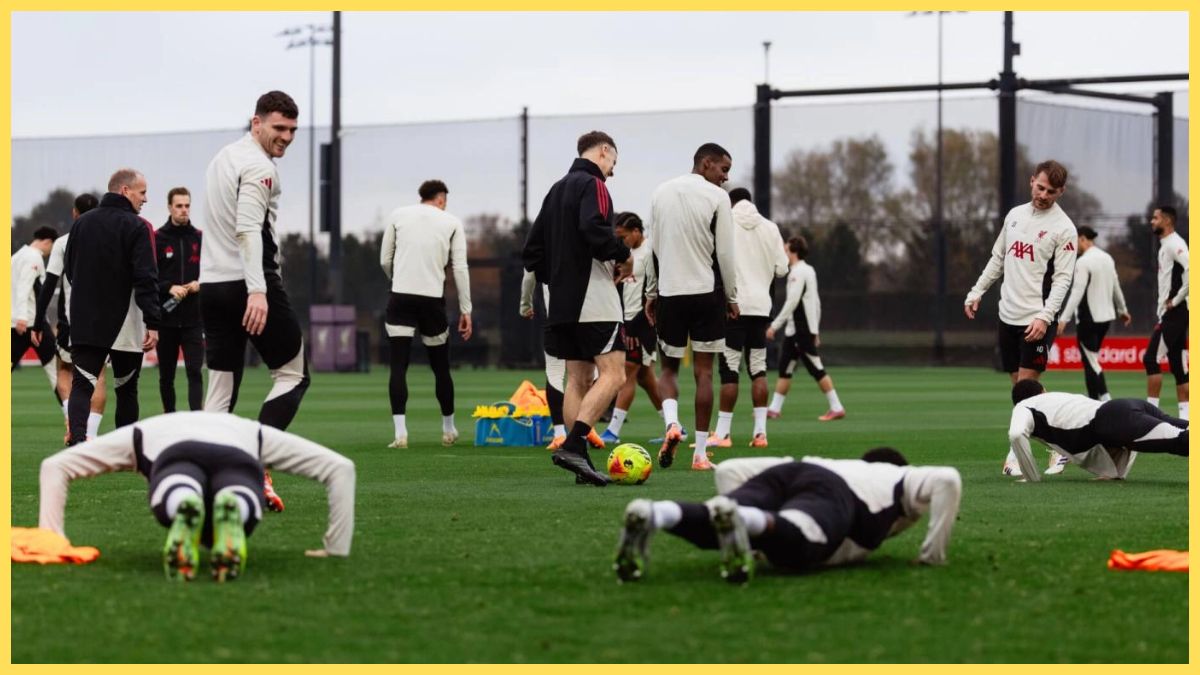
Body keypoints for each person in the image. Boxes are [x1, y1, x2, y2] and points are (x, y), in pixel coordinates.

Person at [38, 411, 355, 581]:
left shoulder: (141, 430)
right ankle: (237, 504)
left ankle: (182, 501)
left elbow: (55, 467)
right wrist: (336, 548)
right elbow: (341, 469)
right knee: (239, 485)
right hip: (238, 449)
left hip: (170, 450)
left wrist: (52, 541)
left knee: (175, 482)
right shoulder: (250, 429)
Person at [613, 449, 962, 584]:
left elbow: (731, 469)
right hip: (835, 492)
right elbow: (947, 479)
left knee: (714, 521)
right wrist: (932, 556)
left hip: (794, 468)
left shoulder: (842, 462)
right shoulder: (896, 476)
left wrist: (750, 545)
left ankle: (655, 513)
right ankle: (746, 521)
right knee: (801, 541)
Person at [201, 91, 307, 511]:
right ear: (256, 122)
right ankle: (254, 468)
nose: (286, 137)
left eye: (292, 130)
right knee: (293, 375)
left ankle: (205, 479)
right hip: (248, 283)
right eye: (279, 128)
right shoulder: (260, 167)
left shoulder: (223, 157)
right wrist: (258, 290)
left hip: (212, 286)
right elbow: (247, 230)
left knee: (220, 391)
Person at [522, 130, 633, 486]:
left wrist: (557, 278)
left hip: (562, 302)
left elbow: (532, 251)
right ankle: (574, 445)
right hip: (595, 298)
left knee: (578, 380)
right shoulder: (594, 184)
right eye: (613, 162)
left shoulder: (555, 190)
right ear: (603, 151)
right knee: (615, 374)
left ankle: (580, 460)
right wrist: (624, 254)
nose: (613, 170)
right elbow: (593, 228)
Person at [964, 160, 1077, 475]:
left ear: (1061, 192)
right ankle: (1063, 444)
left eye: (1051, 191)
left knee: (1026, 389)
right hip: (1008, 316)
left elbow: (1063, 280)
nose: (1043, 195)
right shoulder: (1014, 215)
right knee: (1021, 391)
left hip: (1037, 320)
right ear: (1031, 181)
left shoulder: (1064, 228)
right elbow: (997, 258)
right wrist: (977, 291)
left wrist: (1045, 317)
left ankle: (1016, 455)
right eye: (1040, 187)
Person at [646, 143, 739, 471]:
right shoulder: (718, 198)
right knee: (704, 373)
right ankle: (699, 454)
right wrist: (732, 296)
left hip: (670, 293)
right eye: (724, 169)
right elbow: (725, 253)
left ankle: (672, 423)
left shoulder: (660, 192)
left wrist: (651, 292)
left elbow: (653, 248)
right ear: (706, 163)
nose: (726, 178)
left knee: (668, 370)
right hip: (706, 293)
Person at [63, 169, 160, 445]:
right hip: (125, 322)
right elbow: (145, 277)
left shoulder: (81, 224)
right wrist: (153, 322)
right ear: (125, 190)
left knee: (82, 386)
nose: (145, 199)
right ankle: (125, 449)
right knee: (126, 390)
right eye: (142, 192)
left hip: (86, 319)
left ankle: (78, 445)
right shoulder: (137, 226)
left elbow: (70, 270)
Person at [379, 179, 473, 448]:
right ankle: (448, 429)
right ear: (441, 199)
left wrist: (397, 278)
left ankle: (400, 434)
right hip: (432, 300)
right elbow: (460, 268)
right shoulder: (451, 222)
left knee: (398, 366)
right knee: (441, 367)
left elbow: (385, 260)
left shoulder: (398, 215)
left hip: (400, 296)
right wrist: (466, 309)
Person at [711, 188, 788, 448]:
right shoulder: (770, 227)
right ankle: (760, 434)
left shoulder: (726, 223)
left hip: (733, 307)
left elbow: (715, 261)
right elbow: (782, 269)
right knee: (758, 369)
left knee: (729, 370)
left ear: (730, 203)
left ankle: (723, 434)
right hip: (761, 307)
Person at [1006, 379, 1187, 482]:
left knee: (1182, 441)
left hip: (1116, 420)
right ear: (1043, 391)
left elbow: (1016, 434)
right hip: (1126, 407)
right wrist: (1110, 474)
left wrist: (1031, 478)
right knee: (1183, 428)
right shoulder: (1054, 398)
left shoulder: (1023, 406)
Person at [32, 194, 107, 441]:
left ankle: (71, 420)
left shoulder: (64, 242)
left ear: (75, 213)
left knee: (64, 369)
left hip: (72, 321)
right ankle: (91, 435)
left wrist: (38, 322)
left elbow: (49, 284)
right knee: (98, 375)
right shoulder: (107, 239)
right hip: (103, 320)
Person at [519, 271, 607, 450]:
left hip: (557, 317)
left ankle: (560, 434)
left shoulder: (545, 250)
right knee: (592, 374)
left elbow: (530, 272)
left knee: (555, 373)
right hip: (589, 315)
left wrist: (525, 303)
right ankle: (586, 426)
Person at [601, 212, 668, 445]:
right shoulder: (626, 254)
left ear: (637, 232)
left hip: (643, 323)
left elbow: (656, 291)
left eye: (624, 236)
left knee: (626, 372)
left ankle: (613, 430)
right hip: (627, 320)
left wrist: (637, 325)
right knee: (645, 378)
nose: (621, 241)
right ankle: (673, 425)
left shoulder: (650, 252)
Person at [766, 236, 845, 421]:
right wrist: (815, 330)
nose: (784, 253)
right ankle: (774, 409)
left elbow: (793, 301)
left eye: (786, 250)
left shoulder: (799, 272)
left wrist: (774, 326)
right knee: (785, 368)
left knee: (816, 368)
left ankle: (837, 407)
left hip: (801, 331)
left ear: (793, 251)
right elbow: (816, 303)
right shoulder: (807, 270)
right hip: (794, 331)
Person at [1057, 226, 1131, 403]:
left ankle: (1103, 401)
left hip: (1088, 319)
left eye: (1075, 240)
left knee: (1091, 362)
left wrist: (1064, 319)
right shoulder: (1107, 258)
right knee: (1091, 360)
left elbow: (1077, 292)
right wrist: (1122, 310)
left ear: (1082, 238)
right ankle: (1097, 400)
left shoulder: (1083, 262)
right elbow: (1116, 286)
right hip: (1106, 319)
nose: (1074, 245)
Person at [154, 187, 205, 413]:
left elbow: (212, 271)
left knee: (195, 372)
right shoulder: (157, 238)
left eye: (187, 205)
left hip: (194, 319)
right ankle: (170, 419)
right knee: (166, 376)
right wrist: (169, 288)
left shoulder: (200, 238)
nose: (184, 210)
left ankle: (197, 419)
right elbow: (148, 277)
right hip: (166, 319)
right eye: (179, 206)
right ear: (169, 207)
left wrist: (200, 283)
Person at [1144, 206, 1188, 420]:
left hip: (1176, 312)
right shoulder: (1165, 245)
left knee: (1151, 358)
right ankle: (1188, 421)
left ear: (1167, 221)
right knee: (1178, 366)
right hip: (1174, 313)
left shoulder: (1174, 244)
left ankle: (1150, 416)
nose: (1151, 221)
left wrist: (1176, 300)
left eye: (1156, 218)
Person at [11, 226, 60, 395]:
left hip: (13, 322)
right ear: (48, 242)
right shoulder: (34, 257)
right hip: (31, 322)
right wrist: (22, 316)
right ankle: (70, 410)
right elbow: (24, 287)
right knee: (56, 370)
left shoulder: (16, 257)